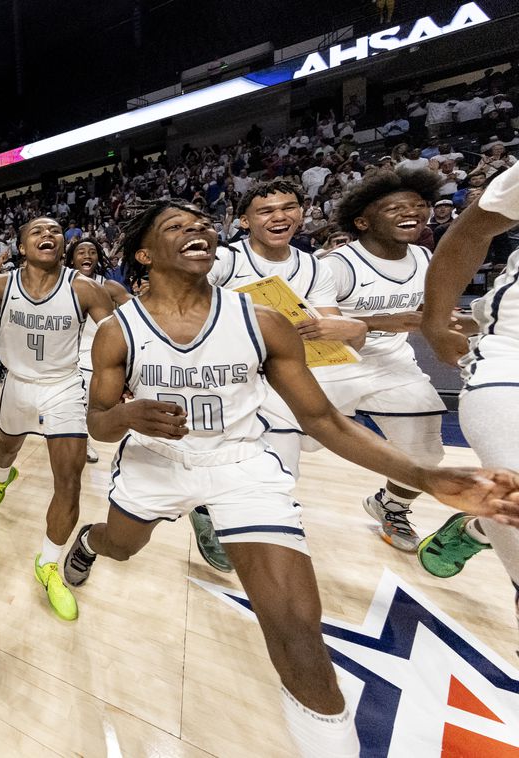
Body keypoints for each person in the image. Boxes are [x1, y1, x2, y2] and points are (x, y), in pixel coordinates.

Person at [59, 200, 519, 758]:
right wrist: (128, 416)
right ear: (144, 255)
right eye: (176, 226)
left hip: (240, 466)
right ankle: (90, 541)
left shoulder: (262, 321)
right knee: (122, 547)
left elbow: (322, 420)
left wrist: (426, 476)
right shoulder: (117, 332)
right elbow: (99, 426)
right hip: (155, 464)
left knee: (298, 630)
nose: (198, 228)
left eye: (203, 222)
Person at [0, 216, 116, 621]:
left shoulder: (85, 288)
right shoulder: (1, 285)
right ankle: (3, 477)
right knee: (7, 448)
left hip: (63, 385)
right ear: (22, 247)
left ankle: (49, 563)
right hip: (17, 384)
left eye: (55, 231)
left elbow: (115, 335)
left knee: (69, 479)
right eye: (37, 231)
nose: (48, 235)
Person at [193, 180, 367, 572]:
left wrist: (347, 328)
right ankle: (232, 521)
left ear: (301, 213)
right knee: (270, 458)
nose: (279, 216)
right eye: (266, 211)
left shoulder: (314, 266)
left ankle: (228, 509)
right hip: (224, 372)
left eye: (288, 207)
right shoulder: (225, 259)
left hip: (286, 367)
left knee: (288, 450)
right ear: (244, 220)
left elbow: (330, 323)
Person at [315, 169, 450, 552]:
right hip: (331, 365)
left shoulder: (424, 256)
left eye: (418, 205)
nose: (413, 212)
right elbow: (309, 324)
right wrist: (374, 322)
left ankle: (390, 506)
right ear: (363, 221)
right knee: (294, 446)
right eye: (395, 207)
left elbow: (428, 312)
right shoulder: (336, 265)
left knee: (426, 451)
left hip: (393, 365)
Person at [418, 166, 519, 611]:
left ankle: (476, 531)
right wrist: (435, 321)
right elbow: (471, 231)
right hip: (512, 350)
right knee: (510, 493)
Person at [67, 238, 131, 465]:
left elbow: (139, 310)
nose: (87, 255)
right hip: (69, 356)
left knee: (95, 405)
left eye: (92, 252)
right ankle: (81, 442)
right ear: (72, 258)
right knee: (78, 405)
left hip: (99, 354)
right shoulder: (62, 285)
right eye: (81, 252)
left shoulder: (109, 286)